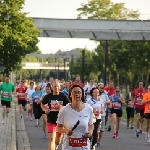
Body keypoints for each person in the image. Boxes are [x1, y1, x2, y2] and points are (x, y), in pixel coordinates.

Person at [56, 84, 93, 150]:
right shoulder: (64, 110)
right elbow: (58, 128)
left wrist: (90, 132)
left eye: (79, 92)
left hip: (84, 146)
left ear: (82, 95)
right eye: (74, 92)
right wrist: (66, 130)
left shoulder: (88, 109)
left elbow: (91, 125)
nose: (77, 94)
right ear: (70, 95)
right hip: (69, 147)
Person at [41, 80, 70, 150]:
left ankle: (56, 146)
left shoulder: (63, 97)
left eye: (57, 86)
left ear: (60, 87)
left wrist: (61, 107)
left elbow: (69, 106)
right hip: (51, 120)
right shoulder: (48, 96)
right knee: (51, 139)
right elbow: (42, 104)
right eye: (54, 86)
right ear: (52, 87)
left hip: (61, 122)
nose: (56, 88)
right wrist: (45, 109)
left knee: (58, 140)